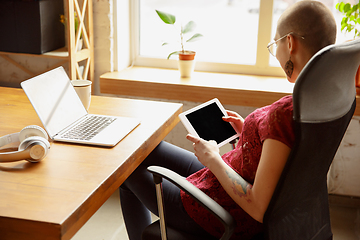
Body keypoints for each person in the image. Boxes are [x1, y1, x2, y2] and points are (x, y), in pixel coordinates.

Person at [119, 1, 337, 239]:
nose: (275, 53)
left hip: (220, 210)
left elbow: (256, 206)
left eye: (275, 43)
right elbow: (288, 160)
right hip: (229, 176)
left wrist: (213, 159)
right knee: (148, 148)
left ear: (290, 43)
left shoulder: (284, 112)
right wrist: (251, 135)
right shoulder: (320, 102)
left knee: (123, 170)